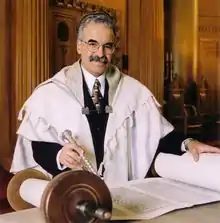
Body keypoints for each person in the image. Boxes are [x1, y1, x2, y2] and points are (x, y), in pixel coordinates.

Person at [10, 12, 220, 182]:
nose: (100, 53)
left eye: (107, 46)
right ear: (79, 46)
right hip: (71, 193)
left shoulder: (133, 92)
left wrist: (189, 142)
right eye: (92, 44)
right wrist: (59, 155)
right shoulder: (51, 92)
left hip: (119, 191)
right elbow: (38, 145)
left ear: (114, 49)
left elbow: (158, 135)